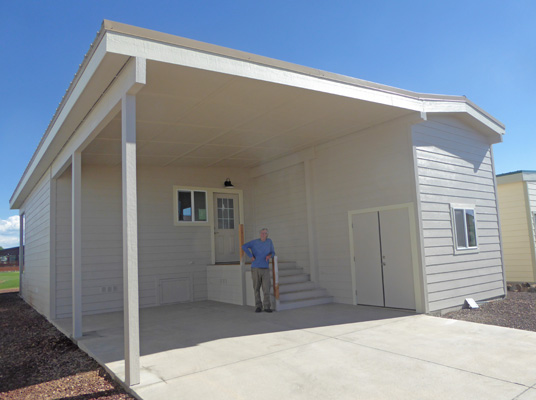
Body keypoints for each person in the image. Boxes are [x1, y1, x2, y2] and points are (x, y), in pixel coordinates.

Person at [242, 228, 275, 313]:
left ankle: (267, 306)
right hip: (255, 268)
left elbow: (273, 253)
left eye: (264, 233)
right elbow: (244, 246)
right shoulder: (255, 242)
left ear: (267, 235)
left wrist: (269, 256)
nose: (262, 235)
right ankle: (258, 306)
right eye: (261, 233)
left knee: (266, 288)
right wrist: (250, 256)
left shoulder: (269, 242)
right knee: (256, 288)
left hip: (265, 269)